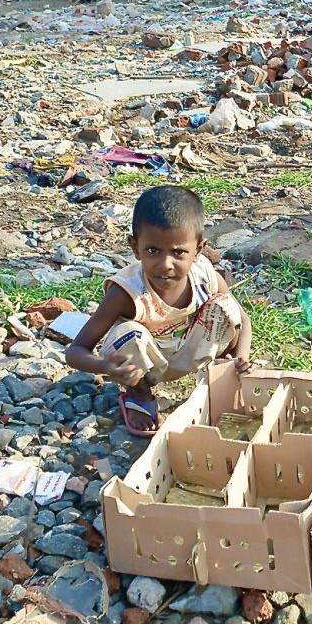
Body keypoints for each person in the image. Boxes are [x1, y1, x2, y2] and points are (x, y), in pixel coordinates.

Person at [66, 186, 253, 437]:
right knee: (128, 333)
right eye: (153, 250)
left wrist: (242, 357)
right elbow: (75, 352)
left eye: (178, 252)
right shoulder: (127, 292)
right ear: (135, 247)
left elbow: (242, 319)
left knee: (226, 307)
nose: (166, 264)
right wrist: (105, 366)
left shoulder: (204, 275)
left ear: (198, 250)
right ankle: (139, 396)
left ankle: (226, 373)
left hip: (191, 352)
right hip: (144, 365)